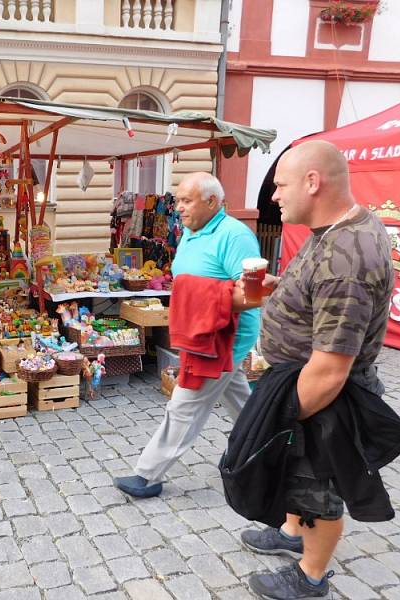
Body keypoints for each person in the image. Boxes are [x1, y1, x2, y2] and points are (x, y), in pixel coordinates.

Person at [238, 140, 396, 599]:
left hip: (324, 392)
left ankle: (310, 576)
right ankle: (291, 533)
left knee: (317, 484)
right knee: (297, 472)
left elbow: (330, 371)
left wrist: (281, 421)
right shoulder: (333, 231)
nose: (273, 196)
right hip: (298, 375)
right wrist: (282, 289)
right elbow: (316, 296)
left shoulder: (347, 258)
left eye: (280, 185)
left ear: (313, 182)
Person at [113, 172, 262, 498]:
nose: (179, 207)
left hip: (222, 339)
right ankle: (270, 450)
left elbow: (252, 294)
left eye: (186, 200)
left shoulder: (235, 236)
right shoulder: (191, 232)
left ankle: (148, 475)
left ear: (212, 201)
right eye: (178, 200)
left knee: (185, 404)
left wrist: (207, 303)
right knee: (244, 406)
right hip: (202, 333)